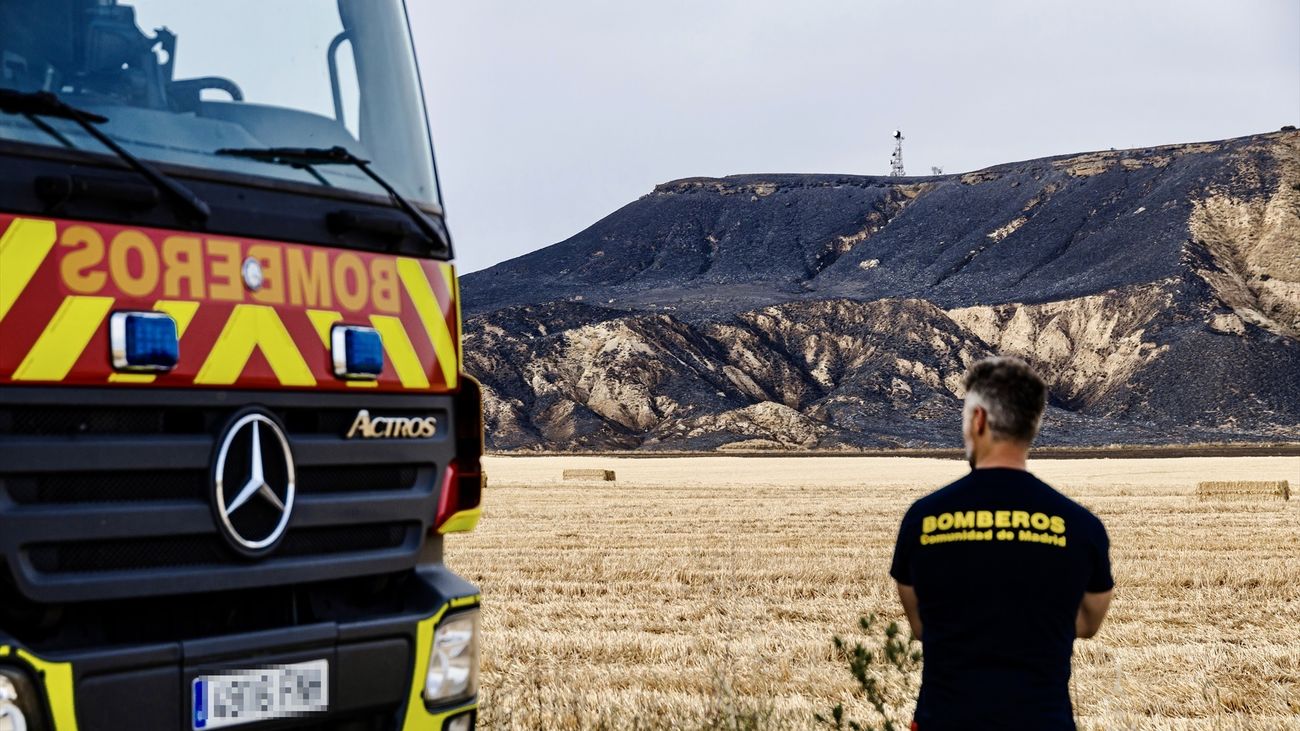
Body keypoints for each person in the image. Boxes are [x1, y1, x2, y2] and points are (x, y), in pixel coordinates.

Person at [889, 356, 1114, 730]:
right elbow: (1089, 623)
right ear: (1032, 425)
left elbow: (922, 624)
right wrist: (1032, 617)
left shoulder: (923, 519)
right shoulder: (1080, 525)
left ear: (978, 420)